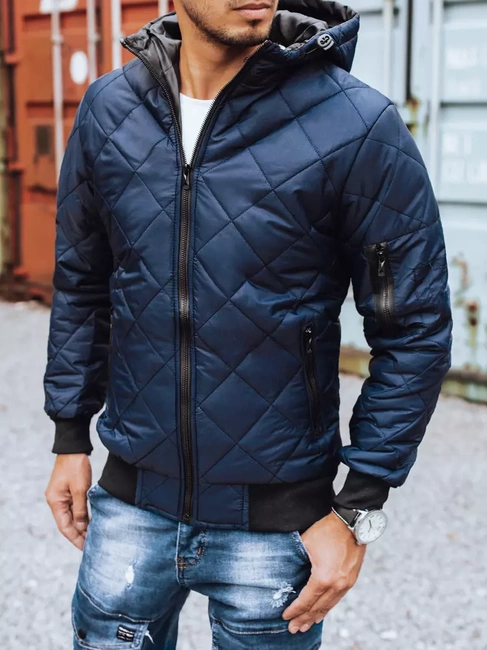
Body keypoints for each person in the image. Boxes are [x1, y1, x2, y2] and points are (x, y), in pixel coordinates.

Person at [43, 1, 452, 648]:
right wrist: (70, 436)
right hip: (128, 508)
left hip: (277, 526)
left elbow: (414, 327)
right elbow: (83, 284)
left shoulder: (354, 123)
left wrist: (359, 506)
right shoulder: (109, 110)